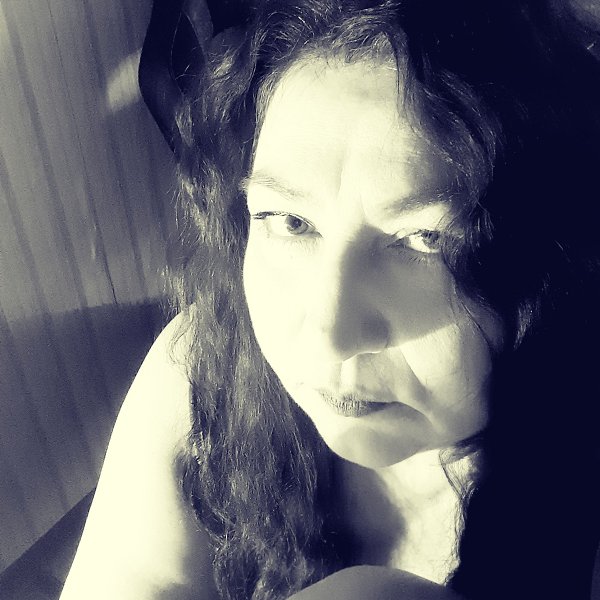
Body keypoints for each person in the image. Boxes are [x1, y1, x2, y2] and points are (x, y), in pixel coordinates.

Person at [60, 1, 600, 599]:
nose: (329, 334)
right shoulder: (203, 366)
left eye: (427, 239)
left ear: (558, 262)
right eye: (289, 221)